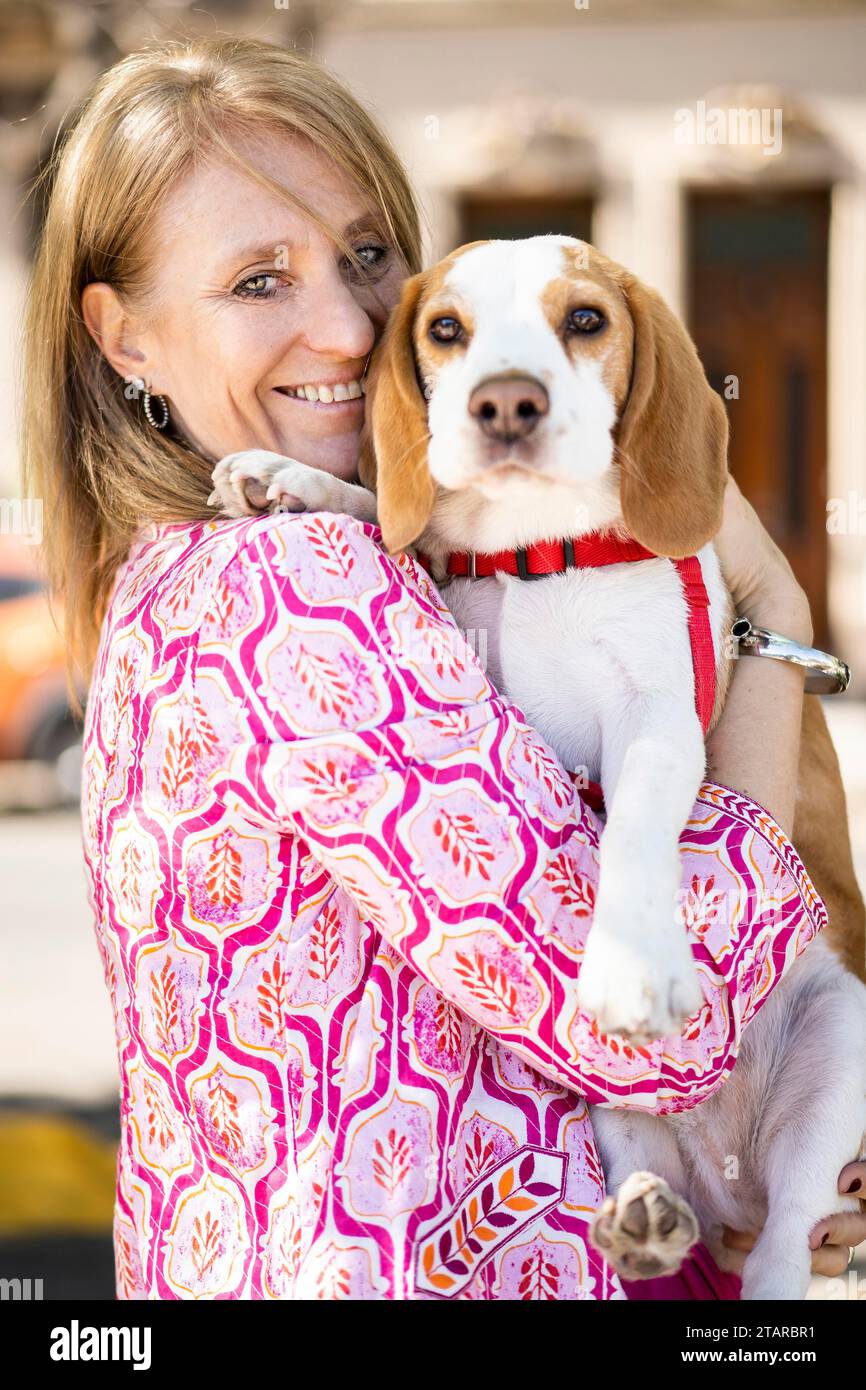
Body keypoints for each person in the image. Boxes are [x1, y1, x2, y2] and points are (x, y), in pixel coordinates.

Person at [22, 36, 865, 1300]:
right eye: (258, 279)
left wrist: (751, 1178)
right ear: (123, 337)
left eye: (368, 254)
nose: (349, 325)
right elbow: (660, 1027)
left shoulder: (173, 578)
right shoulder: (295, 588)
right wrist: (766, 609)